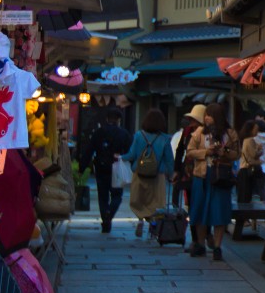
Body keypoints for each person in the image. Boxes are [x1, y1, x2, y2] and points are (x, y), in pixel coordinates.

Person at [185, 106, 238, 260]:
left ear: (217, 116)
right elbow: (190, 151)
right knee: (200, 210)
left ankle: (217, 246)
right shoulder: (200, 133)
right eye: (206, 115)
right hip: (202, 175)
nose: (206, 118)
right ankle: (201, 244)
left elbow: (237, 154)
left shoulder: (230, 133)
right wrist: (206, 152)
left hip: (221, 176)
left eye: (209, 115)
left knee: (219, 212)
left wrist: (224, 152)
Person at [79, 107, 132, 234]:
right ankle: (110, 214)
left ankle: (105, 221)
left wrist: (82, 166)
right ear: (119, 120)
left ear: (107, 119)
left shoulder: (99, 132)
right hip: (117, 167)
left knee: (102, 196)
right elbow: (130, 152)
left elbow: (89, 150)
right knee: (117, 195)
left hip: (101, 167)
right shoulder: (124, 134)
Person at [126, 108, 174, 238]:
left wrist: (120, 157)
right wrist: (171, 174)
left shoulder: (138, 135)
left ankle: (140, 220)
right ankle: (153, 225)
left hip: (139, 173)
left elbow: (131, 154)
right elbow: (169, 159)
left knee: (139, 199)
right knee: (157, 202)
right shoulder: (164, 139)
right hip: (158, 175)